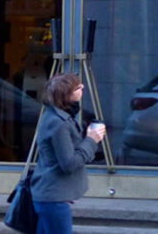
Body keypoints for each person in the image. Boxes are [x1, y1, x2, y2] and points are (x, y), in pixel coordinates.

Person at [30, 72, 105, 234]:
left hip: (50, 195)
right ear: (66, 95)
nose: (83, 87)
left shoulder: (55, 116)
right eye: (78, 87)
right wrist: (92, 140)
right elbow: (69, 163)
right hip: (53, 198)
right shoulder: (59, 123)